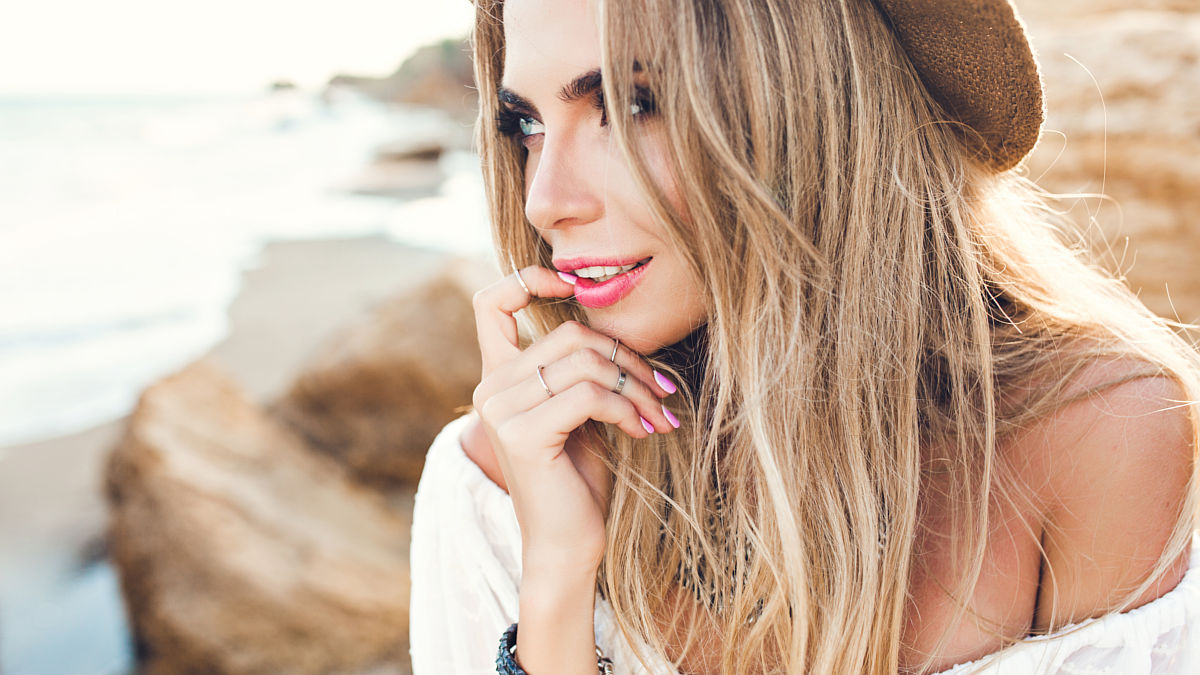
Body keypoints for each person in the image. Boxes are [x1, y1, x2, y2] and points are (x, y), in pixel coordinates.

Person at [409, 0, 1200, 672]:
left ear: (817, 102)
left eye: (634, 102)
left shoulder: (1097, 436)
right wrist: (555, 581)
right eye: (527, 124)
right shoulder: (502, 486)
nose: (545, 200)